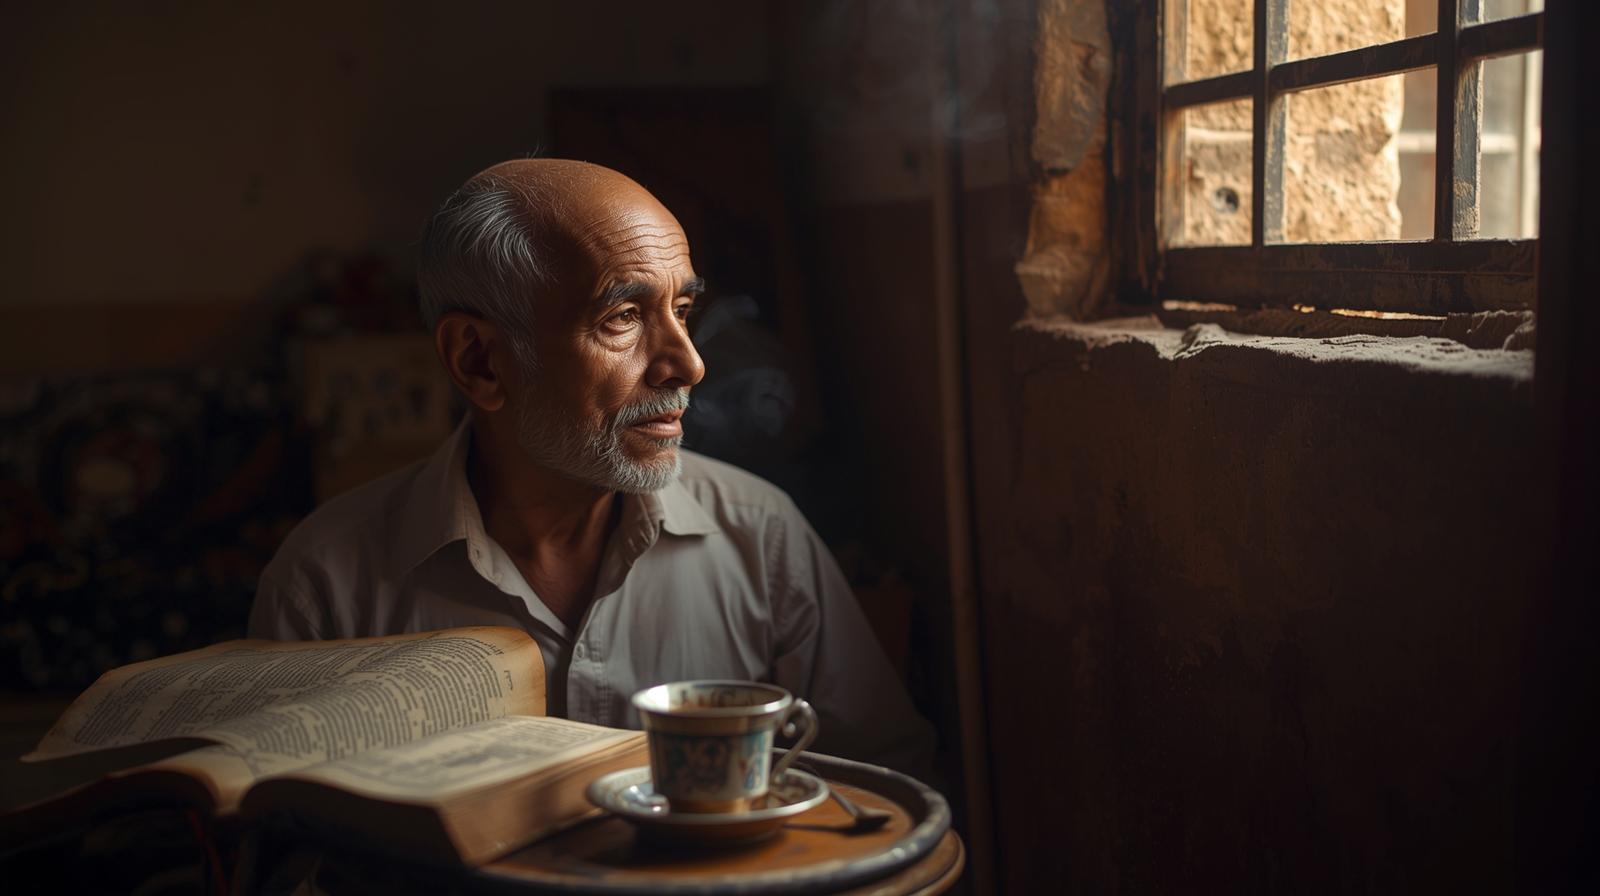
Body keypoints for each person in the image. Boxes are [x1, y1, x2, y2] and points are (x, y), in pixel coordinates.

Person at [248, 159, 933, 774]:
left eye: (684, 309)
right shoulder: (328, 584)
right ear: (479, 361)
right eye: (624, 317)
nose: (689, 363)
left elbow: (883, 788)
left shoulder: (762, 537)